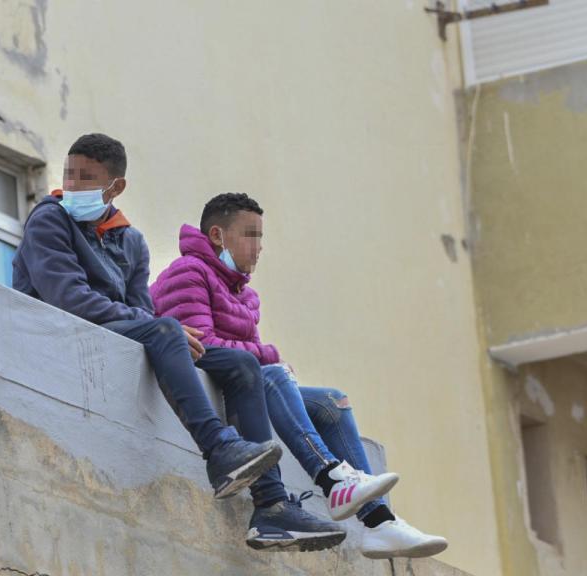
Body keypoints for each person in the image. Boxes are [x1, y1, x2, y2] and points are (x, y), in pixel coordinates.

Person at [12, 135, 342, 551]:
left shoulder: (130, 241)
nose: (73, 187)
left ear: (116, 188)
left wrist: (156, 327)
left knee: (243, 367)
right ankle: (219, 449)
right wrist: (158, 327)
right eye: (69, 175)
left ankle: (272, 507)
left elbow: (139, 311)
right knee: (167, 329)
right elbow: (68, 297)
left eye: (88, 179)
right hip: (60, 333)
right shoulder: (49, 219)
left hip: (117, 338)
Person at [149, 192, 449, 559]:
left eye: (261, 237)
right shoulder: (188, 272)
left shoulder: (245, 295)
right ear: (217, 236)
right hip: (203, 384)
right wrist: (269, 356)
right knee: (274, 373)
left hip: (243, 385)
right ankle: (331, 477)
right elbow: (203, 346)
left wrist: (266, 362)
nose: (259, 247)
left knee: (330, 401)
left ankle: (381, 524)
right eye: (251, 235)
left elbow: (249, 360)